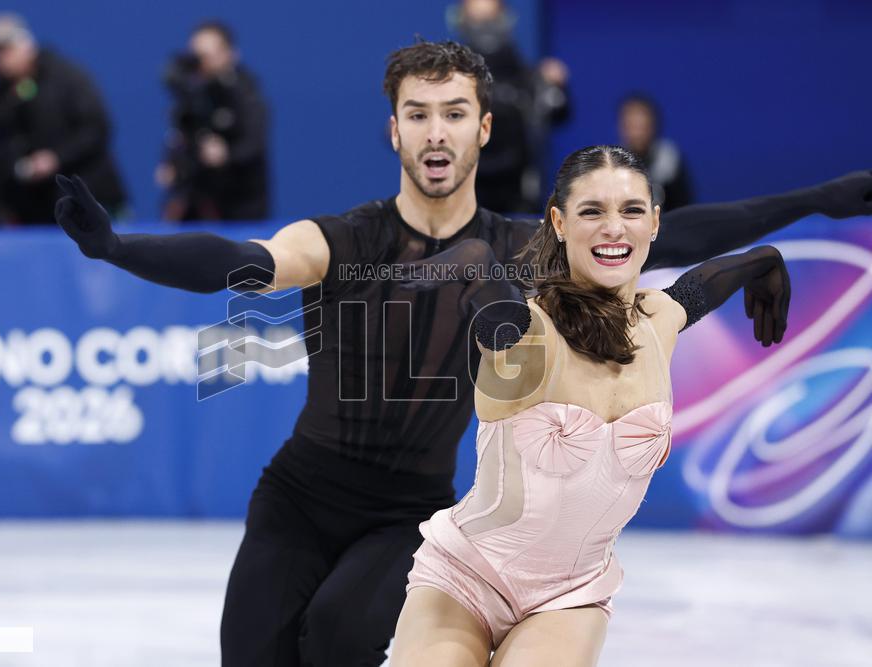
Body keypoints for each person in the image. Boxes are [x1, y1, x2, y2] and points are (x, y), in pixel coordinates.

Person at [51, 40, 872, 667]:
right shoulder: (342, 240)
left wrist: (815, 201)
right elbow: (241, 261)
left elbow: (673, 237)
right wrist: (118, 248)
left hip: (407, 512)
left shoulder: (522, 250)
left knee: (338, 639)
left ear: (482, 128)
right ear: (395, 129)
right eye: (418, 113)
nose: (435, 131)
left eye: (453, 112)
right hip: (297, 497)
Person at [389, 145, 790, 666]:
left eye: (631, 210)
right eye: (592, 211)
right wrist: (476, 265)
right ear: (559, 222)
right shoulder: (530, 332)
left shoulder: (658, 321)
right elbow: (496, 318)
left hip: (570, 593)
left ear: (655, 223)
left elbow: (699, 288)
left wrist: (763, 261)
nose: (614, 228)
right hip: (463, 577)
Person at [0, 12, 126, 228]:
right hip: (35, 216)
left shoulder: (66, 78)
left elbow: (96, 129)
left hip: (91, 204)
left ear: (26, 44)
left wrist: (55, 158)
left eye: (5, 48)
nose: (0, 58)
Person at [449, 0, 570, 213]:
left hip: (520, 199)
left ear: (505, 19)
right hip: (463, 197)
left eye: (491, 20)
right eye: (476, 21)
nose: (485, 29)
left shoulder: (530, 80)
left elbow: (561, 112)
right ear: (461, 22)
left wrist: (557, 85)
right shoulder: (445, 85)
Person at [156, 21, 270, 222]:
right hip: (194, 202)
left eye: (207, 56)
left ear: (230, 54)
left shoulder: (245, 93)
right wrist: (172, 164)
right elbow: (181, 133)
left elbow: (254, 142)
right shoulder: (190, 94)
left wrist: (226, 155)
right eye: (196, 57)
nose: (201, 64)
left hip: (239, 206)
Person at [618, 93, 693, 211]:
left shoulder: (669, 160)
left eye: (641, 126)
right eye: (632, 125)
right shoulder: (613, 164)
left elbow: (683, 207)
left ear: (653, 125)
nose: (637, 133)